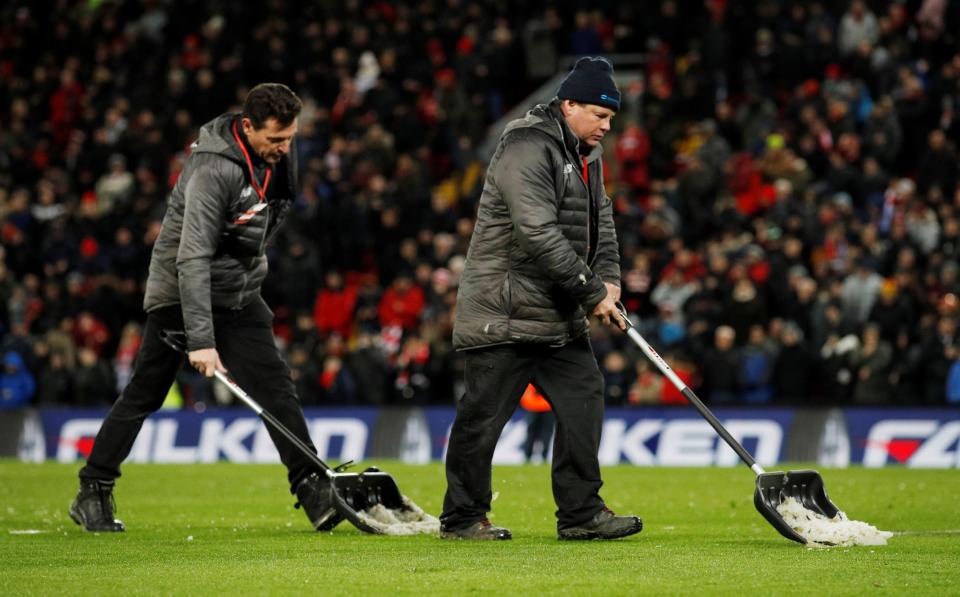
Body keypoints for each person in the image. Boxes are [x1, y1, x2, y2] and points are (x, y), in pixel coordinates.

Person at [69, 84, 338, 533]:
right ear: (248, 127)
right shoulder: (212, 170)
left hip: (237, 292)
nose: (285, 148)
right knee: (145, 394)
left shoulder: (276, 154)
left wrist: (247, 257)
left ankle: (313, 484)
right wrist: (202, 341)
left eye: (290, 138)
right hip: (181, 294)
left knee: (275, 386)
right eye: (276, 140)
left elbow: (276, 211)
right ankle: (93, 488)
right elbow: (191, 258)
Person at [440, 57, 642, 541]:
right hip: (505, 311)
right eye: (599, 115)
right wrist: (590, 291)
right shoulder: (526, 145)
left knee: (584, 401)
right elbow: (536, 231)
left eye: (611, 118)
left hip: (556, 312)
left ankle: (580, 514)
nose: (607, 127)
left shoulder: (587, 157)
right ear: (568, 104)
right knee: (483, 418)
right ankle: (463, 517)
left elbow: (602, 226)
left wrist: (610, 280)